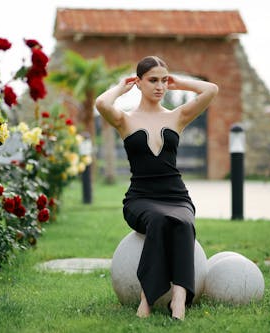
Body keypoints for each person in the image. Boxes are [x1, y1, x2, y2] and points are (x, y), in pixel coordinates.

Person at [95, 56, 218, 320]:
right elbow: (102, 103)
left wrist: (179, 83)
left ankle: (179, 298)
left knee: (183, 223)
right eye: (153, 80)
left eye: (164, 80)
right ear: (139, 82)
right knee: (160, 220)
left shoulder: (178, 116)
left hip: (176, 196)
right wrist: (121, 86)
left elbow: (211, 90)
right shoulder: (124, 120)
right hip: (140, 198)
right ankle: (147, 299)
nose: (160, 86)